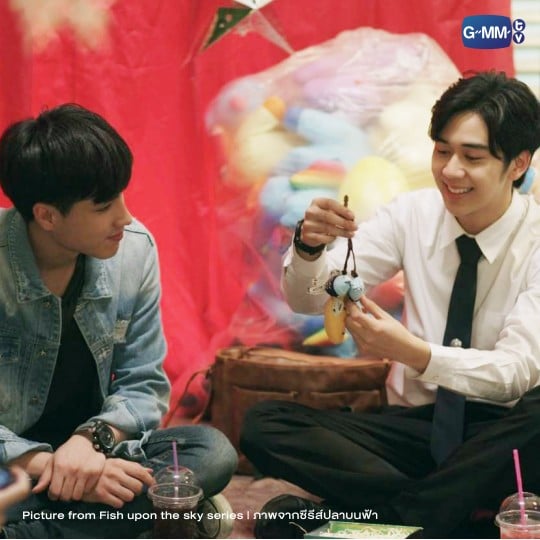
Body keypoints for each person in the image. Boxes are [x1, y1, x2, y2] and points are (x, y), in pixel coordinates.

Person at [240, 71, 540, 538]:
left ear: (518, 163)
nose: (450, 171)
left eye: (472, 157)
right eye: (442, 151)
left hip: (500, 436)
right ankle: (448, 518)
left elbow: (515, 373)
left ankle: (388, 520)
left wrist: (413, 353)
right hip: (413, 428)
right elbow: (309, 299)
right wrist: (309, 249)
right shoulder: (411, 215)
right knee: (265, 424)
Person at [0, 104, 238, 539]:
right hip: (15, 467)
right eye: (104, 206)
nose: (124, 218)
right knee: (164, 493)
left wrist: (90, 442)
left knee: (211, 451)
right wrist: (55, 466)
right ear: (47, 216)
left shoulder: (133, 251)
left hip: (99, 453)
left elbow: (143, 382)